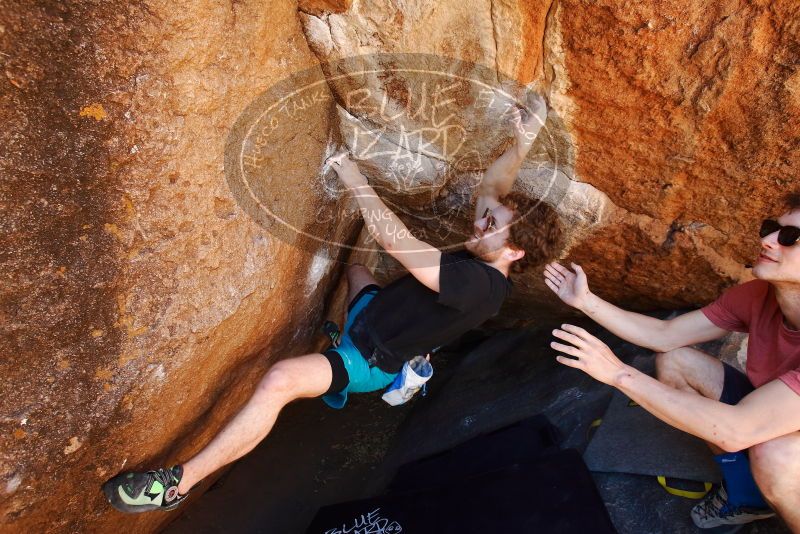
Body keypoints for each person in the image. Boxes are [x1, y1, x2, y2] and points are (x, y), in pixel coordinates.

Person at [103, 95, 562, 513]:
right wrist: (526, 138)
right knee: (357, 271)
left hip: (370, 357)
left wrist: (356, 180)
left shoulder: (482, 288)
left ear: (516, 251)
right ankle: (348, 321)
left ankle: (175, 485)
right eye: (487, 217)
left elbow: (397, 240)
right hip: (376, 310)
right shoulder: (490, 246)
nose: (480, 222)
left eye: (492, 224)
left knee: (280, 380)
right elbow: (494, 185)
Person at [544, 192, 800, 531]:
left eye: (790, 238)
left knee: (774, 455)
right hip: (776, 403)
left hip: (777, 429)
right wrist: (586, 302)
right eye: (770, 228)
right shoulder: (757, 295)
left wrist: (619, 373)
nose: (766, 241)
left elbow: (738, 430)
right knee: (676, 361)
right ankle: (746, 495)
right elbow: (665, 335)